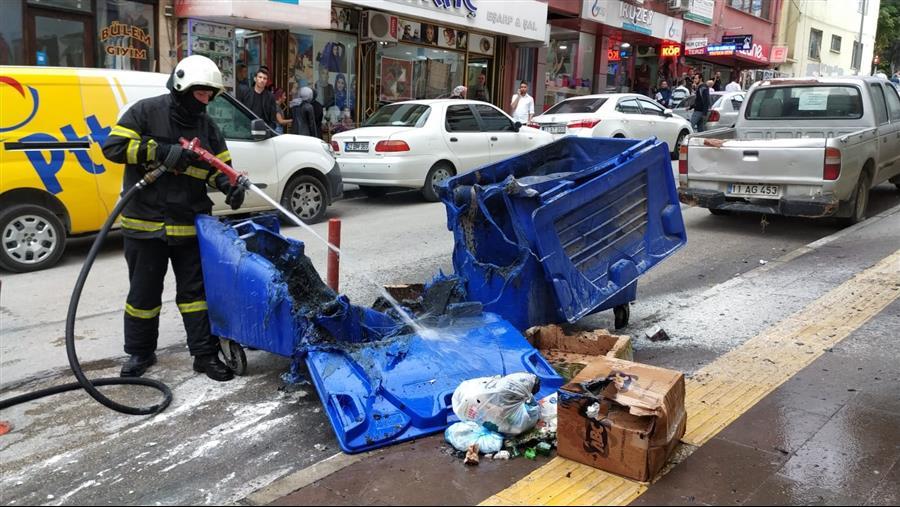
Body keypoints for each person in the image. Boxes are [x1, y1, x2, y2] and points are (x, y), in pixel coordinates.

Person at [101, 55, 244, 382]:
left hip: (189, 223)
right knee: (143, 296)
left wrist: (228, 186)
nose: (206, 99)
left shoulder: (208, 127)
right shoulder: (146, 111)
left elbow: (218, 169)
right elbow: (113, 148)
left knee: (195, 295)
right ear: (181, 87)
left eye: (211, 94)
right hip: (144, 224)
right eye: (201, 93)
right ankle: (140, 352)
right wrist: (159, 151)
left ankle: (204, 354)